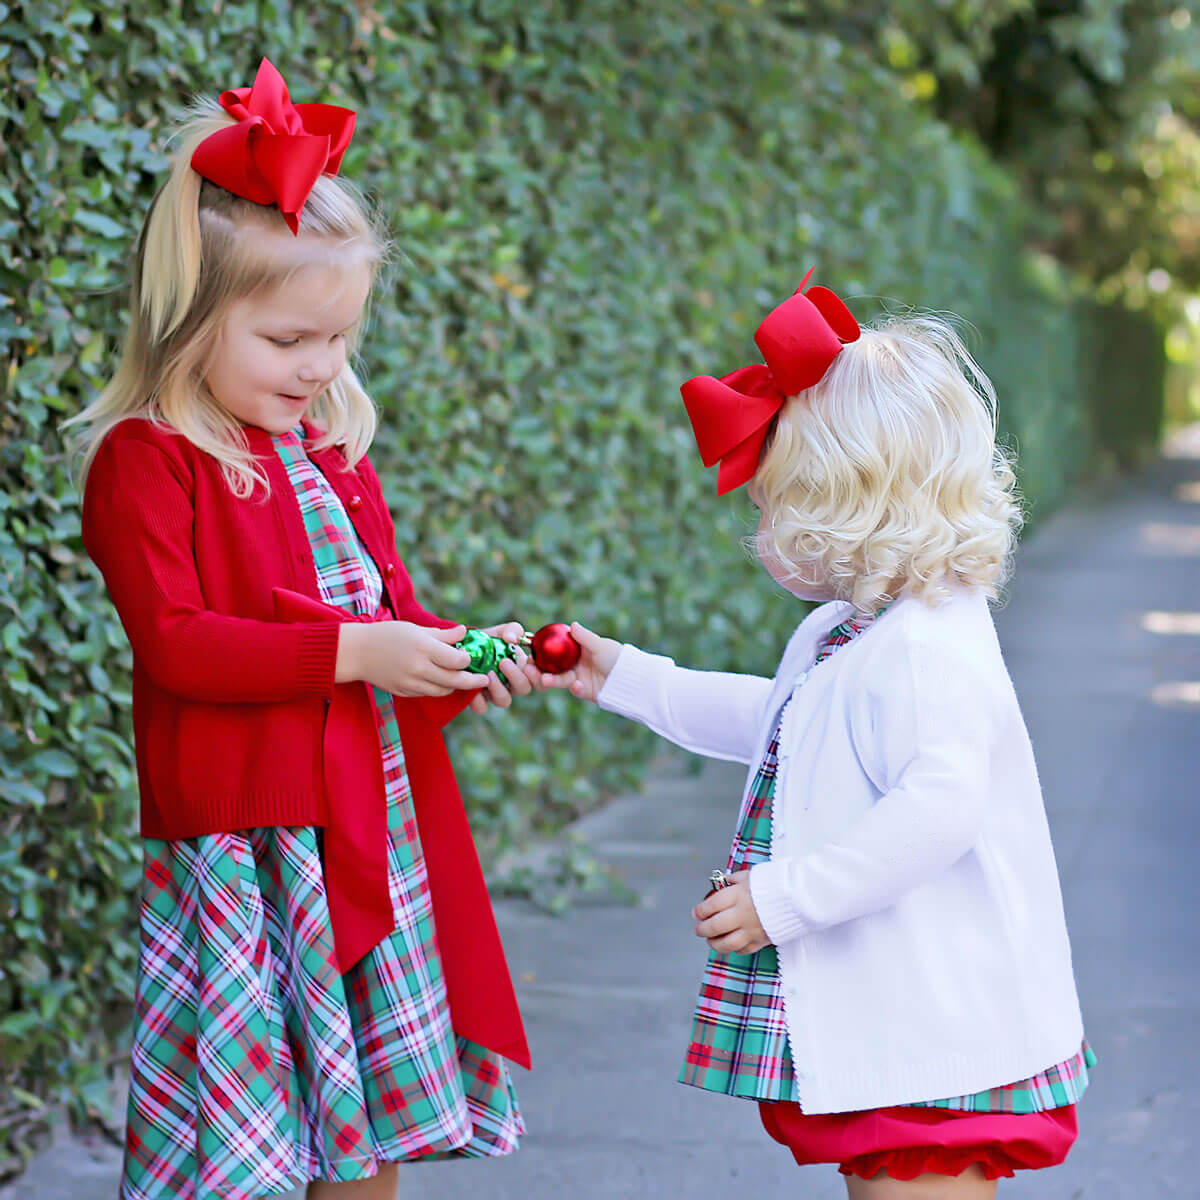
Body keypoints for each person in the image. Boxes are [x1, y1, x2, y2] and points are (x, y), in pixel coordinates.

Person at [64, 58, 532, 1200]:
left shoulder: (327, 448)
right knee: (255, 1145)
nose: (320, 368)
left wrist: (465, 660)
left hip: (363, 824)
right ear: (189, 320)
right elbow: (178, 641)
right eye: (287, 342)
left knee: (360, 1126)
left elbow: (392, 618)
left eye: (338, 340)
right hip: (250, 849)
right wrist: (356, 654)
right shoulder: (148, 460)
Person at [534, 278, 1094, 1198]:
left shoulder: (927, 647)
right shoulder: (857, 627)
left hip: (939, 1030)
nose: (758, 532)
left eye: (771, 509)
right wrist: (624, 677)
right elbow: (784, 723)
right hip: (905, 1016)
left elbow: (939, 812)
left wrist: (786, 898)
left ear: (848, 509)